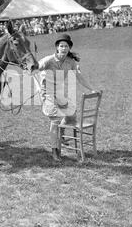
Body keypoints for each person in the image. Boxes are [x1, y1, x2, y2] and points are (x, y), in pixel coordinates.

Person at [37, 33, 97, 161]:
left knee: (71, 113)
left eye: (66, 46)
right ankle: (55, 151)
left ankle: (62, 135)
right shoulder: (48, 60)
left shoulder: (71, 62)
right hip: (47, 92)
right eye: (61, 46)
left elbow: (79, 77)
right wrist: (32, 66)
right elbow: (36, 67)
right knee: (55, 120)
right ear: (57, 48)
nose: (63, 48)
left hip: (59, 92)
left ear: (69, 48)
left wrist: (91, 89)